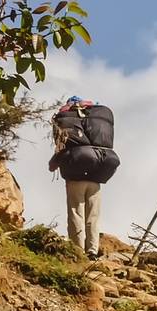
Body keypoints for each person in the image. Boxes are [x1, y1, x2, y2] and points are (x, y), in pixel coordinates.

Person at [48, 96, 120, 257]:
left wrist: (53, 164)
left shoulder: (68, 124)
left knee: (76, 212)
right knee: (93, 216)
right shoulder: (95, 122)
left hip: (75, 177)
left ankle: (77, 250)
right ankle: (92, 251)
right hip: (98, 172)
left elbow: (60, 153)